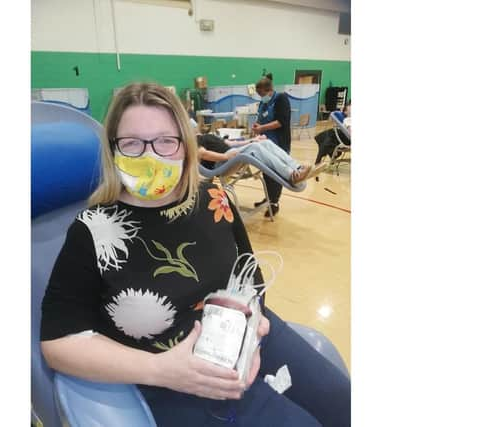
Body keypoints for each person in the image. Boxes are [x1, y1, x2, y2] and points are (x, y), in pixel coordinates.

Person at [40, 82, 350, 427]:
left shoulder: (215, 197)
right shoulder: (93, 230)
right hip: (175, 377)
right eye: (132, 143)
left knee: (345, 406)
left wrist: (255, 326)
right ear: (113, 150)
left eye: (165, 141)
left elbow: (250, 279)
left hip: (248, 339)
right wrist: (162, 371)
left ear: (184, 147)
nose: (150, 155)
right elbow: (58, 343)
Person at [197, 132, 323, 186]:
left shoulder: (208, 135)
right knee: (255, 148)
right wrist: (225, 156)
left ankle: (297, 168)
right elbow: (202, 153)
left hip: (231, 155)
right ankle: (291, 175)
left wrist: (252, 140)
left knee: (265, 143)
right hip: (221, 164)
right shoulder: (194, 140)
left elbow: (231, 144)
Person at [250, 74, 292, 218]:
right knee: (266, 173)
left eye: (262, 94)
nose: (261, 97)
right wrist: (257, 126)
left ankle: (274, 203)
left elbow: (281, 121)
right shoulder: (263, 102)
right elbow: (261, 118)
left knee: (276, 174)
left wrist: (262, 128)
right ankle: (268, 198)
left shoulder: (281, 99)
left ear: (269, 90)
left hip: (279, 142)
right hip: (264, 142)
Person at [313, 101, 351, 168]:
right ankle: (329, 153)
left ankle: (327, 154)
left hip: (345, 139)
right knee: (330, 134)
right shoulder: (348, 120)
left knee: (329, 135)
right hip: (346, 139)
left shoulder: (348, 120)